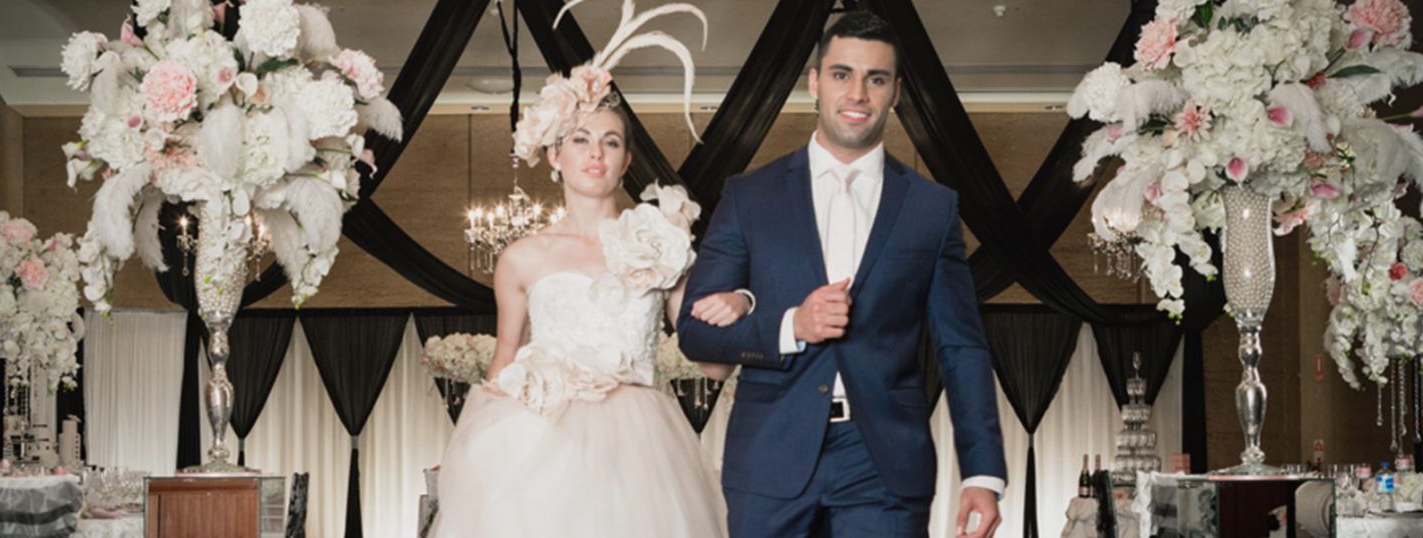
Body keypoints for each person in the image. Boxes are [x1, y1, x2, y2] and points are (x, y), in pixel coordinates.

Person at [678, 11, 1007, 538]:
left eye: (875, 79)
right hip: (770, 456)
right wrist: (791, 325)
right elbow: (695, 333)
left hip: (885, 464)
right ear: (814, 82)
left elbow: (961, 347)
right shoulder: (749, 196)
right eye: (841, 74)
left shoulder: (932, 208)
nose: (857, 93)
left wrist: (983, 472)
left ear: (896, 92)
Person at [428, 2, 746, 536]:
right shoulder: (521, 258)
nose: (595, 153)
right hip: (541, 447)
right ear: (555, 155)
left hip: (643, 452)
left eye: (610, 142)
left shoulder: (661, 244)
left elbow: (712, 363)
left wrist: (737, 308)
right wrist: (476, 457)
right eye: (580, 139)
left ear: (626, 162)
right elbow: (504, 364)